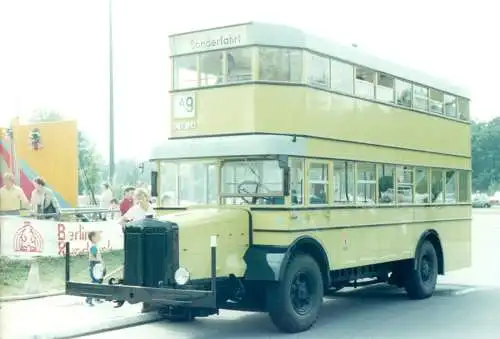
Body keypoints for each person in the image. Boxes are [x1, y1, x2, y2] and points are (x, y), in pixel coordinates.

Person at [118, 187, 155, 313]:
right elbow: (122, 220)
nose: (140, 199)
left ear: (146, 197)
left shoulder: (151, 207)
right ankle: (144, 301)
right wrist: (127, 230)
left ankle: (149, 301)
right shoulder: (134, 209)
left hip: (150, 241)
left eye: (142, 196)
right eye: (138, 197)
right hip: (138, 241)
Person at [85, 231, 106, 306]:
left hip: (97, 264)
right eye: (98, 236)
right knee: (95, 281)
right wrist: (101, 264)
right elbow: (94, 257)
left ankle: (97, 297)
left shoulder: (95, 246)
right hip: (95, 264)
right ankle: (88, 298)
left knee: (99, 281)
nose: (100, 237)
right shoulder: (93, 246)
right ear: (93, 238)